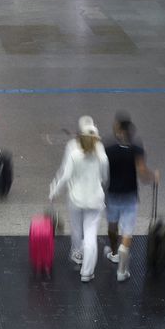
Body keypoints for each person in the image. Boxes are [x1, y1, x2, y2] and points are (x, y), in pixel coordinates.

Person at [50, 117, 110, 282]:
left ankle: (77, 252)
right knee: (90, 235)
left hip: (76, 198)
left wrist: (54, 192)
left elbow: (65, 176)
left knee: (76, 227)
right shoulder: (102, 155)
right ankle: (87, 272)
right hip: (95, 200)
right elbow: (105, 178)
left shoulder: (74, 153)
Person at [103, 114, 159, 282]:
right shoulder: (137, 148)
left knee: (112, 226)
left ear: (119, 130)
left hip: (112, 194)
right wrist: (153, 176)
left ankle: (114, 253)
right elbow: (143, 174)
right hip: (130, 195)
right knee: (127, 230)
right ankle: (122, 271)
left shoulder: (109, 148)